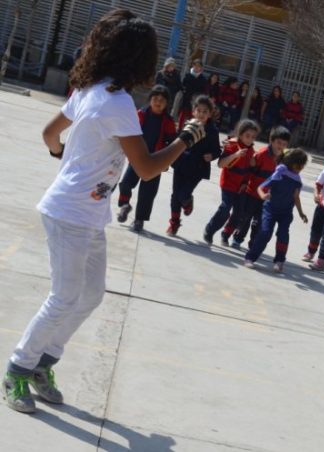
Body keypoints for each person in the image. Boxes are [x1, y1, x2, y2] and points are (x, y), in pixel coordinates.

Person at [1, 9, 206, 414]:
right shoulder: (118, 103)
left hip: (86, 213)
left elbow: (49, 134)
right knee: (64, 297)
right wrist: (185, 139)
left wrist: (70, 161)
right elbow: (147, 169)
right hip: (70, 213)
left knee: (91, 295)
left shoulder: (89, 89)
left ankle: (44, 363)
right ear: (137, 60)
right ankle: (17, 369)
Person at [116, 85, 177, 232]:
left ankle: (139, 220)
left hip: (155, 161)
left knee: (147, 193)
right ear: (150, 100)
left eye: (162, 100)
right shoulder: (140, 114)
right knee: (126, 184)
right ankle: (125, 205)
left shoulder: (168, 121)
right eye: (155, 98)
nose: (158, 102)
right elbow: (129, 132)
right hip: (137, 157)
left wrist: (166, 160)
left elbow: (172, 142)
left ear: (166, 104)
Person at [243, 148, 309, 273]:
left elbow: (296, 197)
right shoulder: (279, 173)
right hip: (270, 210)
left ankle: (279, 261)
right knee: (265, 233)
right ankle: (250, 258)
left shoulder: (297, 180)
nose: (301, 167)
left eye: (302, 165)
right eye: (299, 164)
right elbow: (261, 187)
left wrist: (301, 213)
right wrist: (262, 195)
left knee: (283, 235)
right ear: (291, 162)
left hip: (285, 213)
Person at [166, 95, 221, 236]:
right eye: (199, 110)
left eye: (205, 112)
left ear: (210, 114)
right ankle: (174, 222)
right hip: (181, 163)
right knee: (175, 194)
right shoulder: (187, 125)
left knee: (183, 194)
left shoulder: (212, 130)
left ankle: (187, 201)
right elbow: (177, 141)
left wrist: (211, 155)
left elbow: (217, 150)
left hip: (198, 167)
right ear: (193, 111)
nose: (202, 114)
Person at [202, 119, 259, 244]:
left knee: (239, 213)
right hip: (228, 184)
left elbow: (249, 171)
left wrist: (245, 184)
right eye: (247, 136)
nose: (250, 139)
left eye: (253, 137)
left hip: (241, 187)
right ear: (240, 134)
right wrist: (235, 155)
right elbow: (221, 164)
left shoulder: (252, 152)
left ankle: (226, 234)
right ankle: (210, 230)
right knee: (225, 208)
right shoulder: (232, 145)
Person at [232, 126, 289, 249]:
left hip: (268, 198)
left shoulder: (284, 159)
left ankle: (253, 244)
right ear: (272, 141)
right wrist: (244, 184)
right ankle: (237, 239)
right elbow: (250, 171)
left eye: (284, 144)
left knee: (259, 223)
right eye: (278, 142)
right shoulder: (262, 154)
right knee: (245, 218)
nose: (281, 146)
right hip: (252, 193)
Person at [178, 59, 207, 132]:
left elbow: (203, 90)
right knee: (183, 115)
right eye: (195, 65)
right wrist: (184, 91)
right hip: (186, 98)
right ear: (193, 66)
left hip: (196, 100)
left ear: (201, 68)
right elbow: (183, 86)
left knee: (193, 115)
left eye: (199, 66)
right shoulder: (188, 75)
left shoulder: (202, 79)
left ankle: (190, 130)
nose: (197, 68)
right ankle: (179, 129)